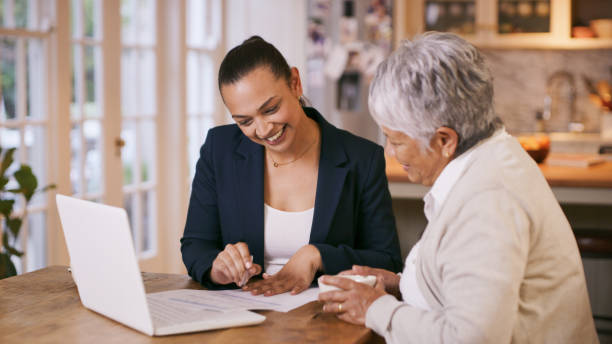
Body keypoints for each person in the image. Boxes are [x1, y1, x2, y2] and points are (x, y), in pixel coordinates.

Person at [318, 32, 598, 343]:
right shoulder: (493, 154)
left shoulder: (487, 202)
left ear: (445, 141)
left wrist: (376, 309)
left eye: (396, 141)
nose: (391, 153)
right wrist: (402, 284)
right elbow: (469, 281)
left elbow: (472, 338)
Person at [181, 36, 402, 296]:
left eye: (271, 109)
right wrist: (217, 268)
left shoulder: (362, 158)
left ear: (295, 83)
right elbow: (196, 244)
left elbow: (387, 261)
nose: (263, 130)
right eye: (244, 121)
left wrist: (319, 255)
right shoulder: (219, 149)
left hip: (327, 316)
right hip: (244, 313)